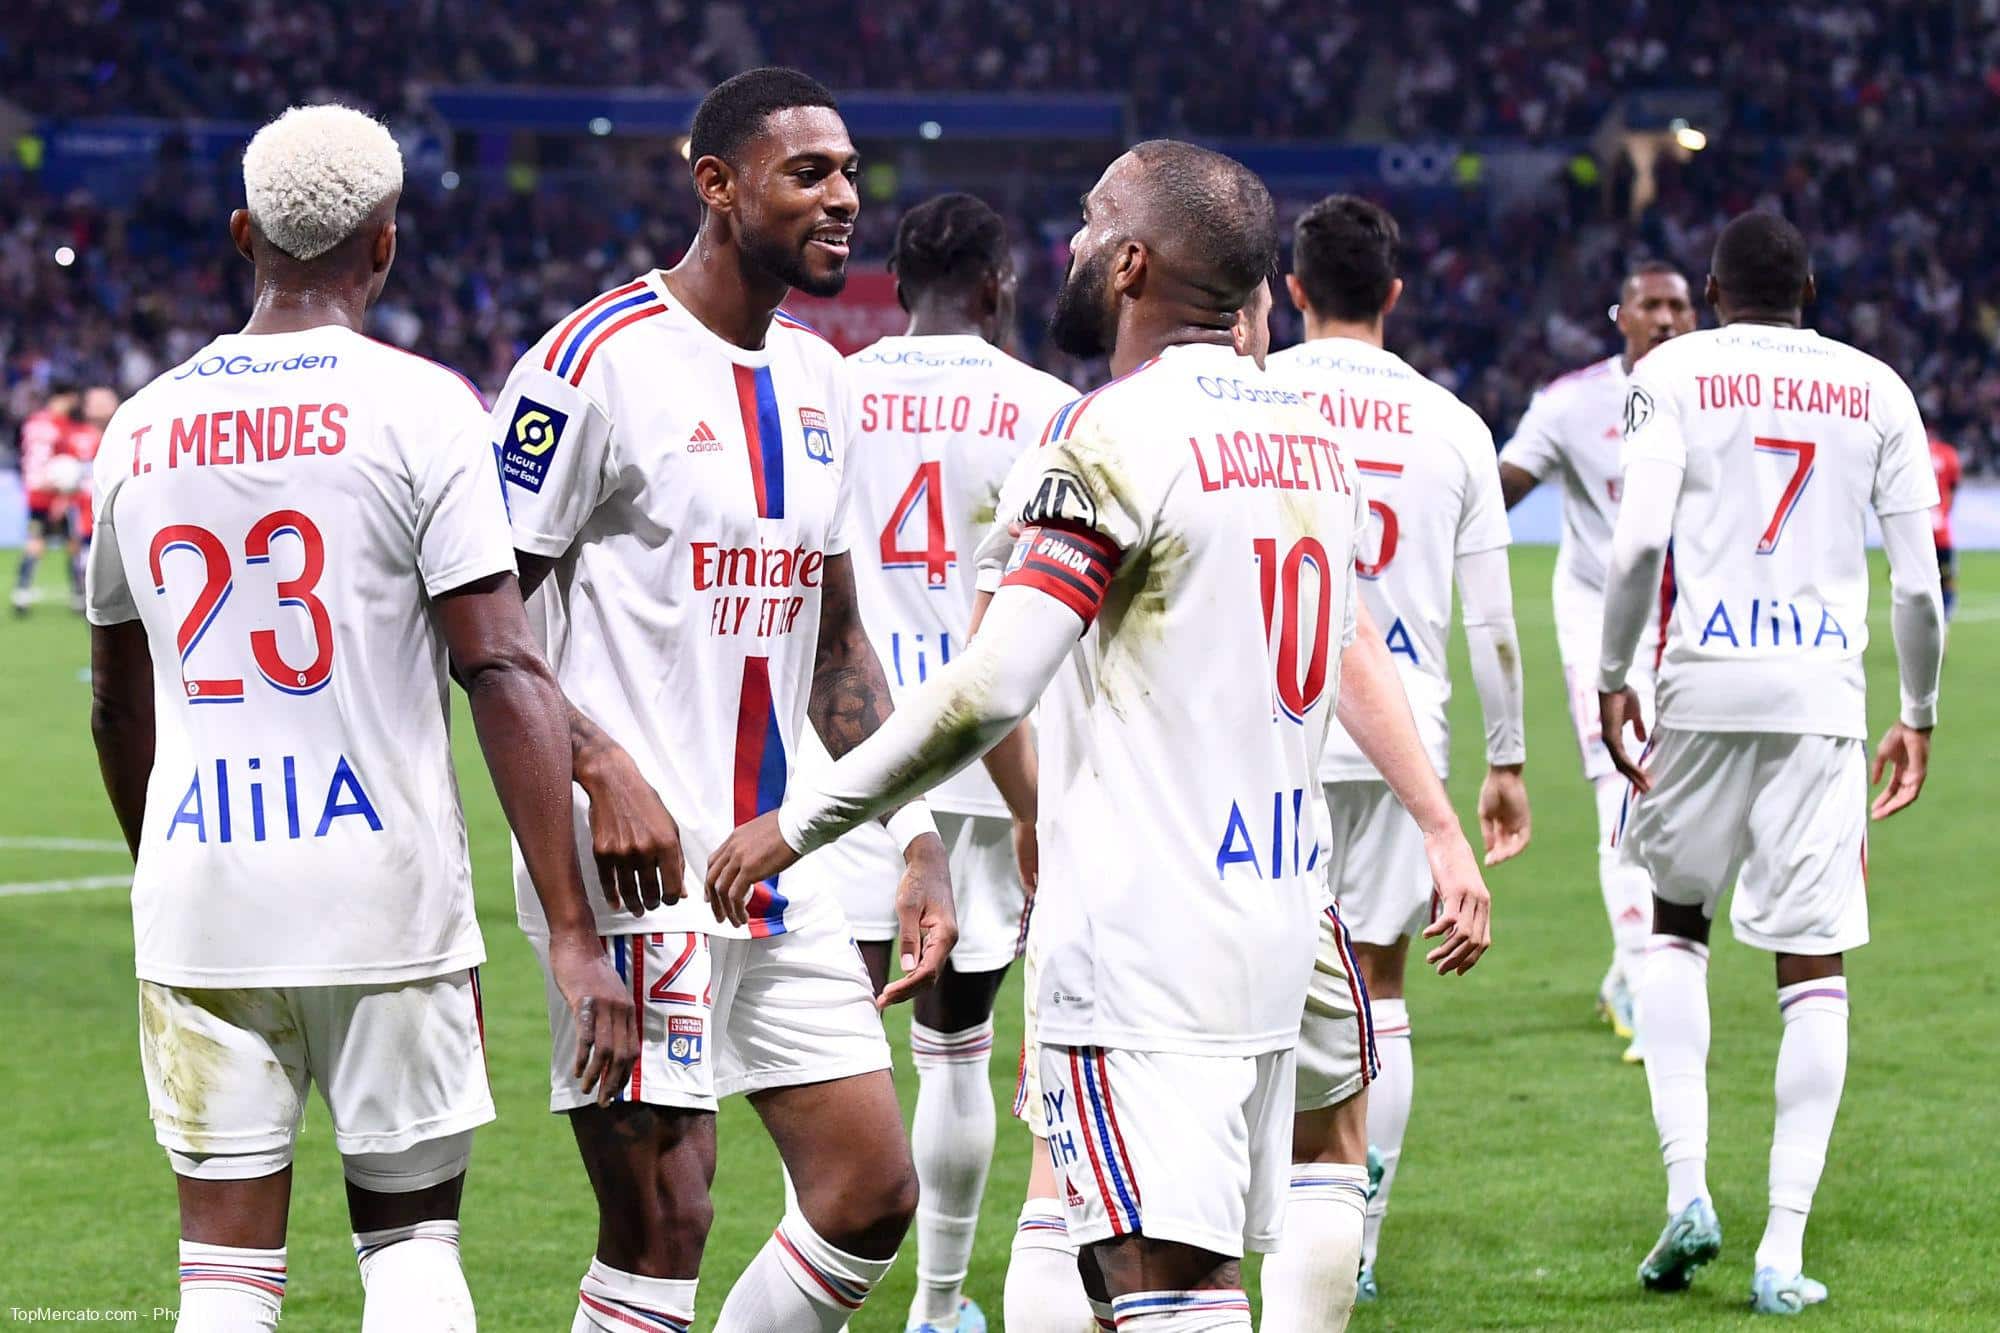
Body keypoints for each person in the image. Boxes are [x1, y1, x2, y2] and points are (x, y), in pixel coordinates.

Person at [708, 139, 1493, 1333]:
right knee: (1210, 1216)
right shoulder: (1303, 437)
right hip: (1280, 896)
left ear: (1130, 264)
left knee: (1168, 1283)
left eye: (1087, 222)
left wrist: (798, 822)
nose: (1066, 244)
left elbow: (989, 687)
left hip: (1145, 935)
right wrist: (1435, 821)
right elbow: (1340, 648)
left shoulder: (1111, 439)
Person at [81, 103, 635, 1333]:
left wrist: (165, 854)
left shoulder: (138, 424)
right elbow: (500, 668)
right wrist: (567, 926)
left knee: (221, 1281)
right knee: (411, 1249)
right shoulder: (421, 407)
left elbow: (118, 698)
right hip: (383, 893)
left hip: (204, 885)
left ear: (243, 234)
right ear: (385, 246)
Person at [487, 68, 955, 1333]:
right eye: (809, 173)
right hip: (631, 865)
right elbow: (480, 630)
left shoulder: (821, 381)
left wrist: (913, 839)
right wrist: (595, 762)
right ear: (716, 185)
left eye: (851, 173)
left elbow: (837, 645)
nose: (844, 199)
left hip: (771, 857)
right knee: (662, 1220)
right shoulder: (587, 365)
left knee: (868, 1189)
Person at [1597, 212, 1944, 1314]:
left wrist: (1613, 673)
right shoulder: (1876, 388)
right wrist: (1919, 711)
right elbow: (1918, 588)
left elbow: (1639, 539)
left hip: (1699, 685)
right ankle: (1780, 1247)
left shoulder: (1674, 369)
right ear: (1808, 285)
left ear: (1707, 289)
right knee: (1813, 964)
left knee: (1675, 925)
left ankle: (1686, 1189)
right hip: (1818, 704)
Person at [780, 191, 1071, 1333]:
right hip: (986, 760)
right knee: (956, 1050)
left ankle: (820, 1298)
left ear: (894, 287)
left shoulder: (830, 394)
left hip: (845, 752)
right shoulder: (1049, 409)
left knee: (831, 1058)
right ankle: (939, 1306)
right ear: (1000, 287)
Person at [1266, 194, 1529, 1308]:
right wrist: (1504, 758)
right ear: (1393, 295)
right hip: (1400, 742)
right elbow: (1492, 623)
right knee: (1377, 989)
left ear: (1288, 291)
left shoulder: (1251, 397)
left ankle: (1252, 1217)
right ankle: (1353, 1232)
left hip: (1270, 719)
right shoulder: (1453, 423)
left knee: (1257, 978)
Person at [1498, 261, 1696, 1058]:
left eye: (1680, 304)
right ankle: (1641, 979)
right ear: (1622, 315)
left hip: (1695, 625)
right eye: (1651, 304)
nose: (1666, 317)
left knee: (1680, 804)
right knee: (1624, 791)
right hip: (1598, 625)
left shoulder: (1717, 393)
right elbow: (1500, 484)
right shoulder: (1573, 403)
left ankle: (1648, 968)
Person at [12, 379, 82, 615]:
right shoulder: (62, 426)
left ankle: (21, 594)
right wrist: (62, 498)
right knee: (73, 544)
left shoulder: (33, 423)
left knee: (35, 543)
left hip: (34, 492)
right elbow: (66, 467)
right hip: (55, 492)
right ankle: (78, 597)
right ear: (64, 397)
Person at [1929, 435, 1960, 620]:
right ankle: (1944, 621)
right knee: (1947, 580)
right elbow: (1954, 488)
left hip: (1916, 533)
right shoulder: (1949, 454)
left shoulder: (1912, 449)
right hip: (1941, 531)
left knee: (1912, 584)